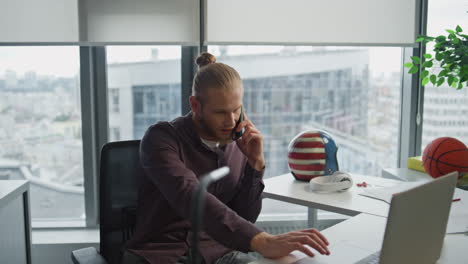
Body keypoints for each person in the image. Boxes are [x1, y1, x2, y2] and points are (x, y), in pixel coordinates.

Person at [123, 52, 330, 264]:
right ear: (195, 106)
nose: (231, 121)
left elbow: (244, 217)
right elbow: (189, 196)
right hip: (159, 255)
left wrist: (255, 164)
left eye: (236, 110)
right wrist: (262, 240)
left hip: (217, 254)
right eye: (220, 113)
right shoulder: (161, 138)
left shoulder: (239, 145)